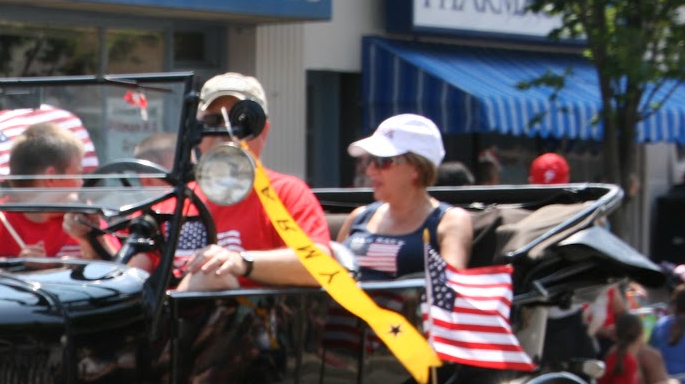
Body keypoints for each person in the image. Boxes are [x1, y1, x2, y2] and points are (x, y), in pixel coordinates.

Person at [174, 72, 329, 291]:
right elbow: (134, 268)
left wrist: (240, 262)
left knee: (213, 276)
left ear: (263, 130)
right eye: (212, 121)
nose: (225, 132)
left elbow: (320, 265)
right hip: (167, 306)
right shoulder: (176, 198)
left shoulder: (286, 193)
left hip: (247, 311)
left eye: (240, 121)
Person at [337, 114, 472, 279]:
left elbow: (450, 285)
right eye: (370, 160)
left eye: (383, 161)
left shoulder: (450, 220)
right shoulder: (359, 216)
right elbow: (329, 276)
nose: (370, 170)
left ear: (417, 168)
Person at [0, 122, 103, 258]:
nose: (81, 183)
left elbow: (113, 265)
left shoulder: (84, 216)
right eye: (78, 174)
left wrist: (88, 239)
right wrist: (19, 266)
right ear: (51, 178)